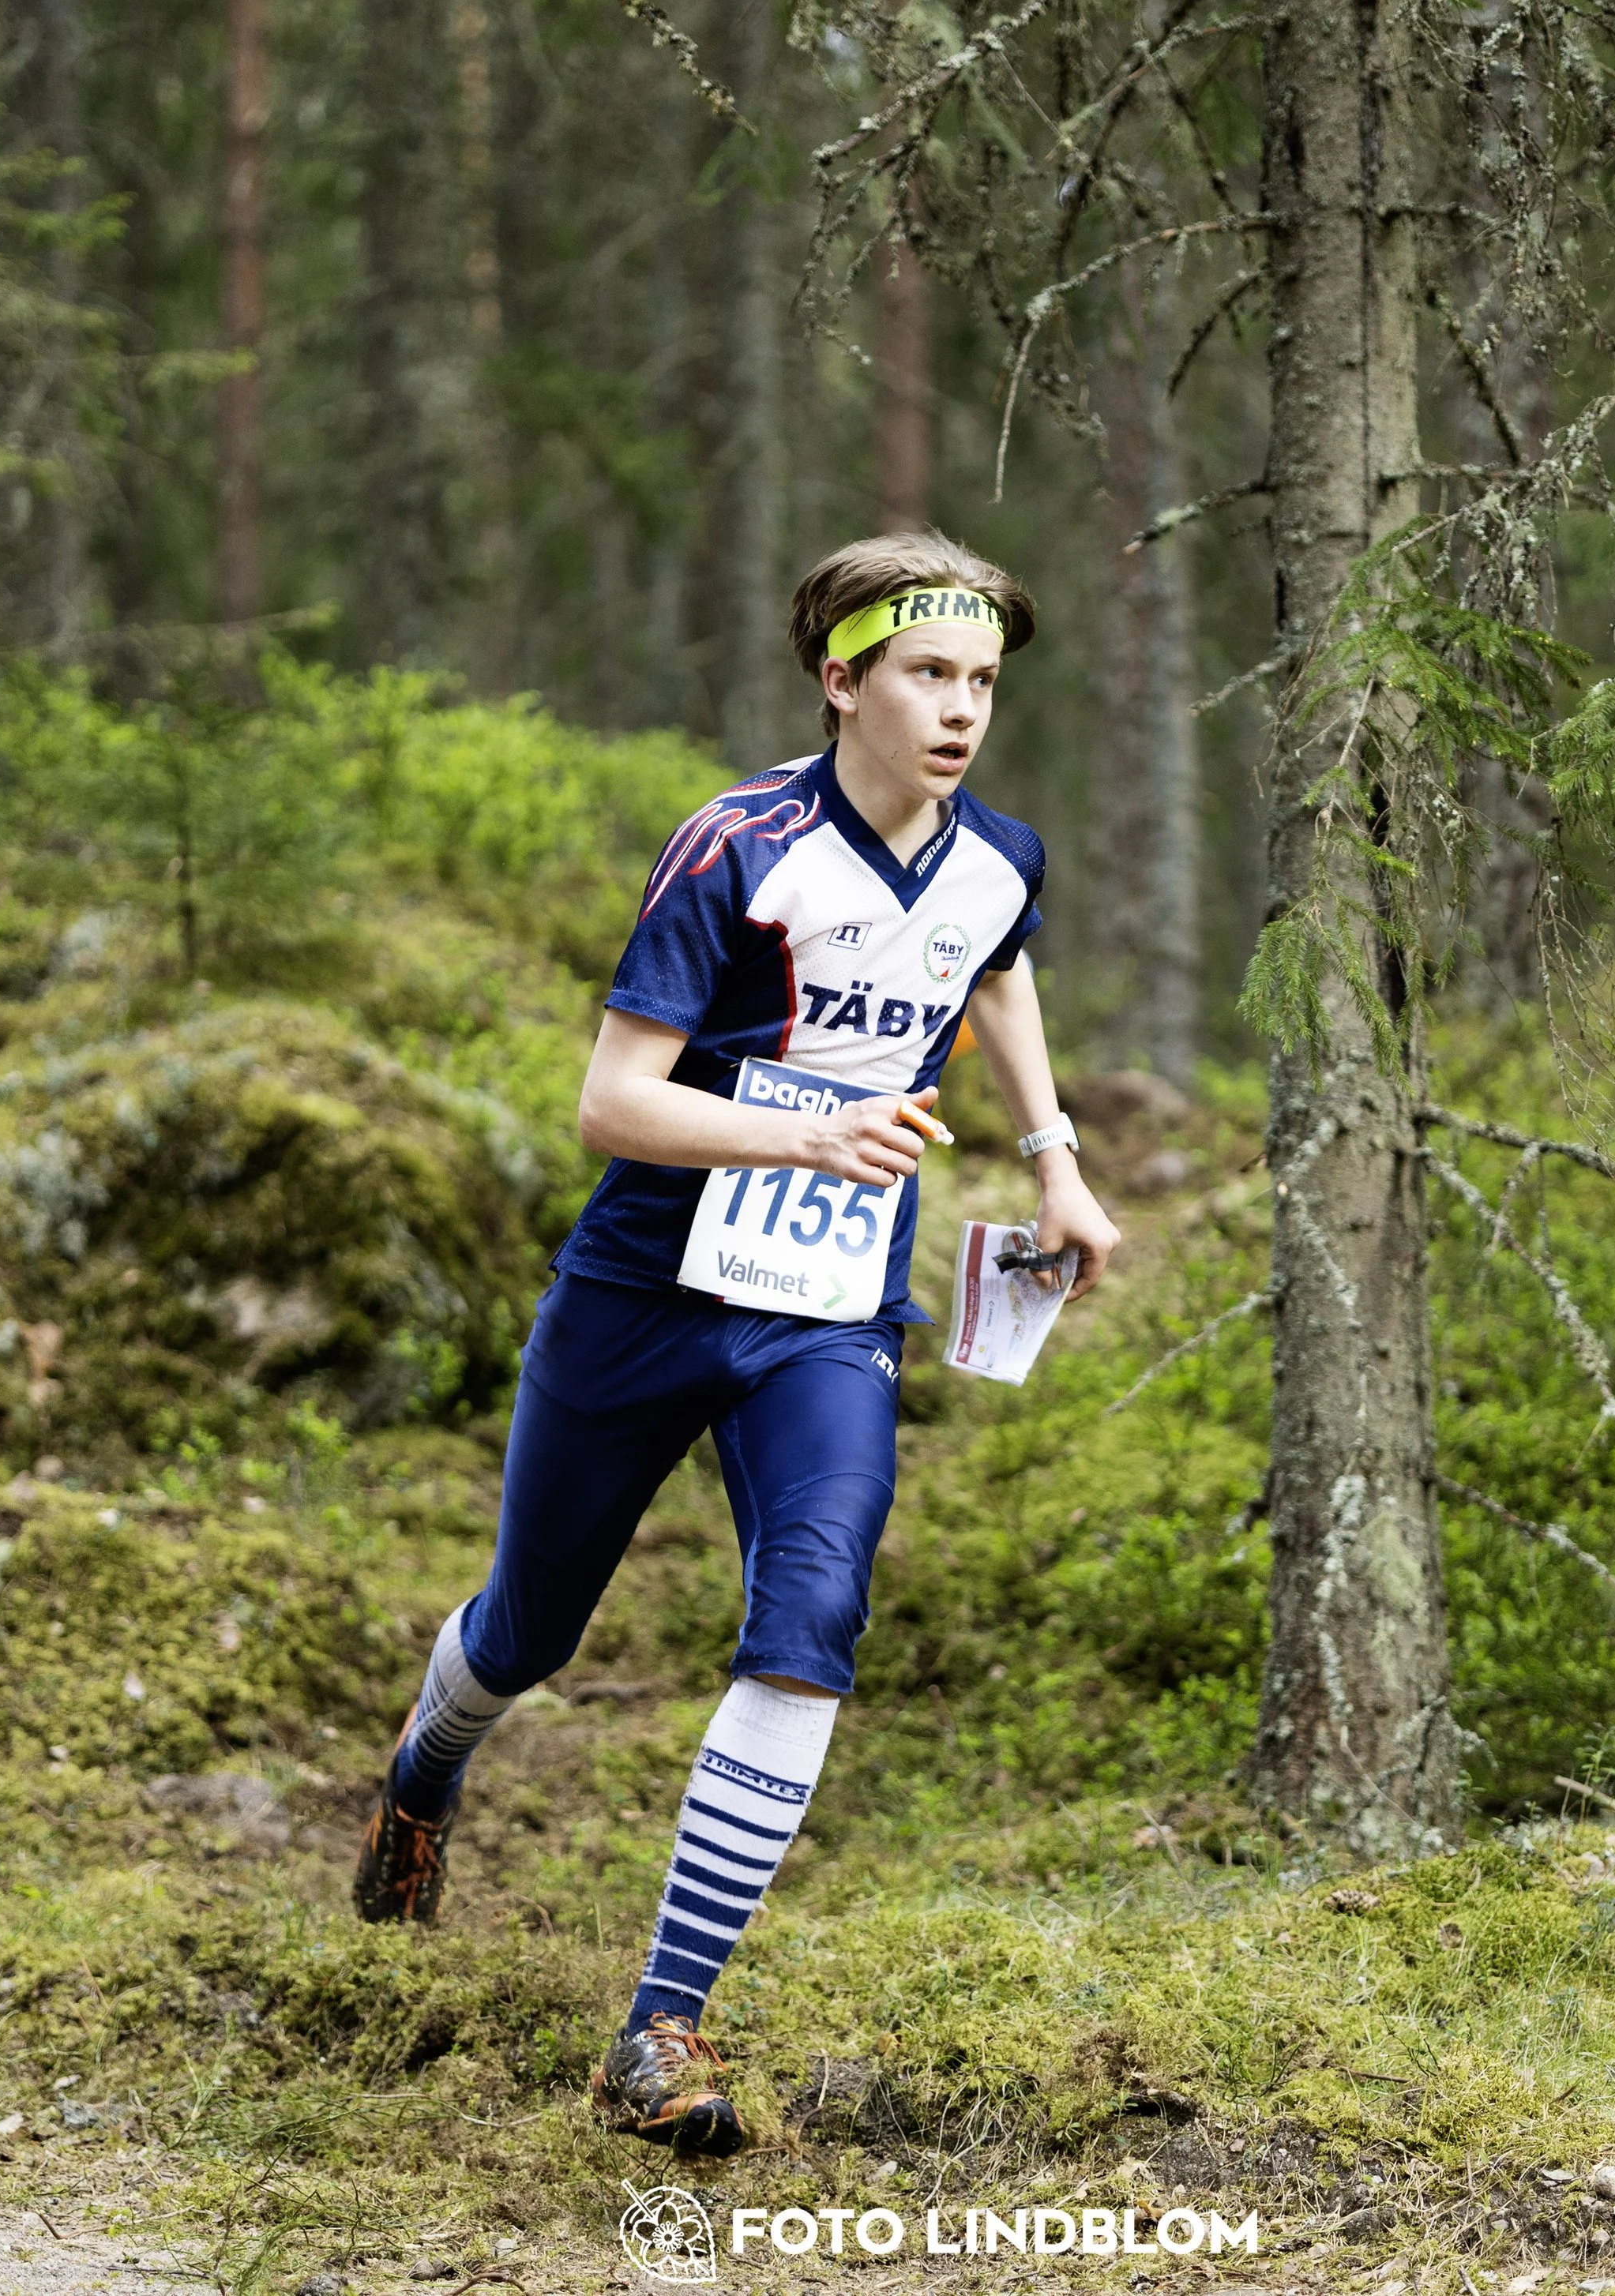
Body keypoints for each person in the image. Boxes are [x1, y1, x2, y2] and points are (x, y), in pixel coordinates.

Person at [351, 530, 1121, 2155]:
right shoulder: (733, 846)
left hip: (828, 1313)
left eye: (981, 680)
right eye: (926, 672)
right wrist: (806, 1133)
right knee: (528, 1632)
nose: (960, 710)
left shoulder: (1000, 854)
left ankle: (659, 2026)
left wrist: (1052, 1155)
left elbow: (990, 967)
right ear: (840, 679)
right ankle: (429, 1761)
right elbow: (606, 1099)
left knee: (812, 1611)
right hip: (644, 1289)